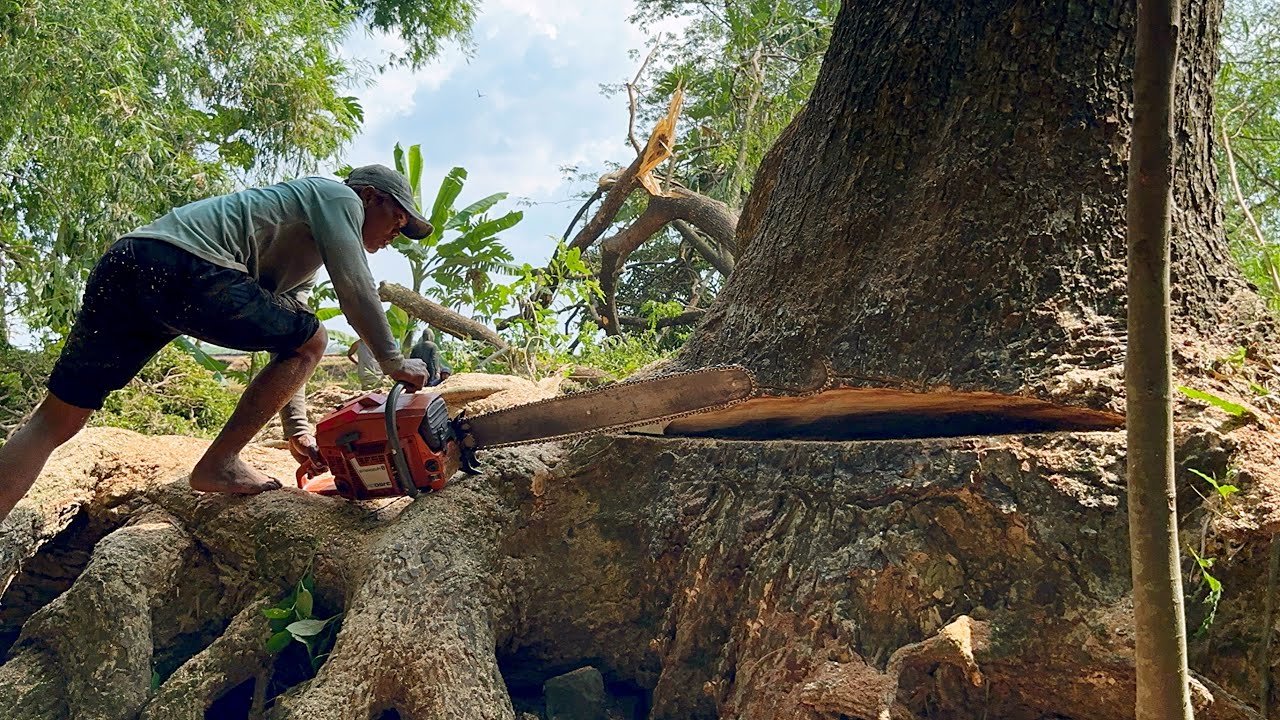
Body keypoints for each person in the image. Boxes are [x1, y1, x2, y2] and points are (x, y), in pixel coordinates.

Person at [0, 165, 435, 524]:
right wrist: (393, 360)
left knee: (58, 419)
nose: (394, 235)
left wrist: (297, 430)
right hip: (182, 265)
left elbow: (295, 347)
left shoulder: (299, 266)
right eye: (396, 221)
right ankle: (219, 462)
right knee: (311, 338)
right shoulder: (337, 196)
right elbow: (355, 287)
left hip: (129, 261)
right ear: (371, 197)